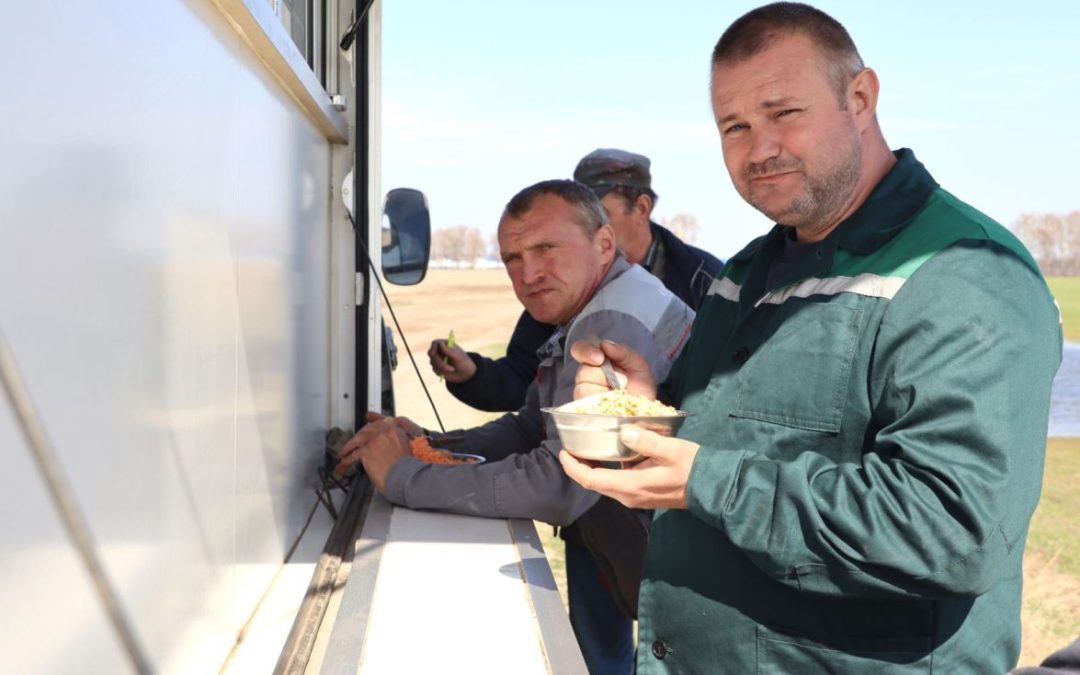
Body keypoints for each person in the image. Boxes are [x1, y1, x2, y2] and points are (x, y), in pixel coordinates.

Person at [559, 3, 1063, 673]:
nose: (758, 148)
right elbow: (724, 429)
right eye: (734, 126)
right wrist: (643, 403)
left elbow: (951, 530)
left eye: (783, 113)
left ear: (860, 97)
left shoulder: (961, 275)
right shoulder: (745, 273)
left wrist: (708, 481)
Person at [340, 179, 695, 674]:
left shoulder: (611, 323)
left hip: (687, 578)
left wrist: (403, 477)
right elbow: (534, 426)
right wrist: (427, 444)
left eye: (546, 248)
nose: (528, 273)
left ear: (604, 244)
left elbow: (561, 482)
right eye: (511, 259)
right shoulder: (600, 301)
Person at [428, 149, 722, 413]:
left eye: (601, 211)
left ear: (641, 208)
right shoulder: (561, 286)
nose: (529, 274)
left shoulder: (708, 280)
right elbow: (526, 383)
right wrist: (474, 375)